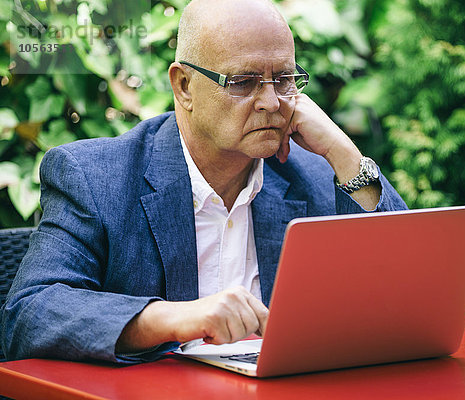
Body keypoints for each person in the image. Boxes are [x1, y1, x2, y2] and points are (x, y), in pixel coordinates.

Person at [1, 0, 407, 363]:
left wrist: (344, 153)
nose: (270, 102)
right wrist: (173, 318)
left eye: (283, 79)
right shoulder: (94, 177)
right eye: (243, 82)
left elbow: (406, 295)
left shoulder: (315, 174)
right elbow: (29, 313)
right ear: (184, 86)